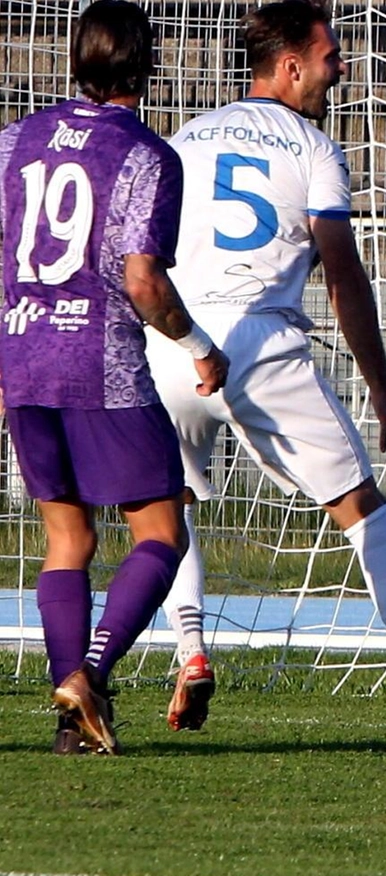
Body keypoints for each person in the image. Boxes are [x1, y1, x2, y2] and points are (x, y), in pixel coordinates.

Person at [147, 0, 386, 753]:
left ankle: (189, 649)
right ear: (290, 66)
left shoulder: (183, 138)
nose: (339, 69)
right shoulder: (311, 146)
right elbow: (343, 274)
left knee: (168, 503)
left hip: (174, 343)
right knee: (364, 511)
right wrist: (379, 384)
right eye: (330, 56)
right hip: (258, 344)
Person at [0, 0, 230, 755]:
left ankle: (76, 723)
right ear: (149, 62)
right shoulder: (146, 155)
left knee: (66, 539)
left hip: (22, 355)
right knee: (160, 529)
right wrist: (198, 344)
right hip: (101, 361)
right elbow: (142, 282)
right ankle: (92, 671)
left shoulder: (13, 142)